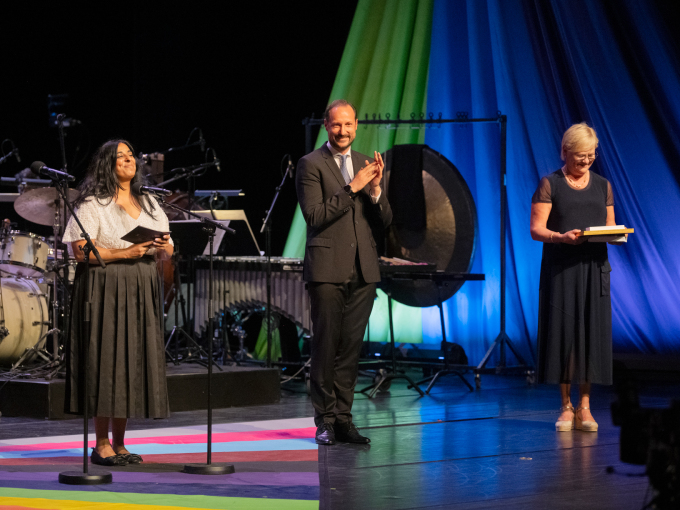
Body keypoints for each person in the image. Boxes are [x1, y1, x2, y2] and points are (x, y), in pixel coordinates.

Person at [63, 139, 173, 465]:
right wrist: (125, 252)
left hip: (140, 285)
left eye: (130, 156)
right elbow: (80, 250)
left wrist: (164, 245)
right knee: (106, 359)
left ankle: (121, 442)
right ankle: (100, 443)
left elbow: (168, 245)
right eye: (120, 157)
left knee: (130, 361)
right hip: (104, 285)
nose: (128, 160)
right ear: (107, 165)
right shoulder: (93, 203)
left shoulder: (150, 201)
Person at [296, 99, 392, 445]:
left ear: (356, 126)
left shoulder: (368, 164)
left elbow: (385, 221)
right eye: (337, 125)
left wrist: (376, 190)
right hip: (326, 269)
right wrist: (352, 187)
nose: (343, 131)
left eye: (349, 125)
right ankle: (324, 420)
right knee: (326, 346)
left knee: (350, 349)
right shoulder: (310, 165)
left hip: (363, 270)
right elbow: (316, 216)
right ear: (326, 125)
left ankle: (343, 420)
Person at [530, 122, 625, 432]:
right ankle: (565, 406)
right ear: (566, 151)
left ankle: (585, 406)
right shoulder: (550, 184)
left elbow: (610, 226)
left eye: (592, 154)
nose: (587, 160)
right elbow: (536, 230)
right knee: (564, 336)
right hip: (562, 268)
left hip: (595, 267)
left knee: (591, 336)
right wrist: (561, 238)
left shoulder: (603, 185)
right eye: (581, 155)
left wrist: (616, 235)